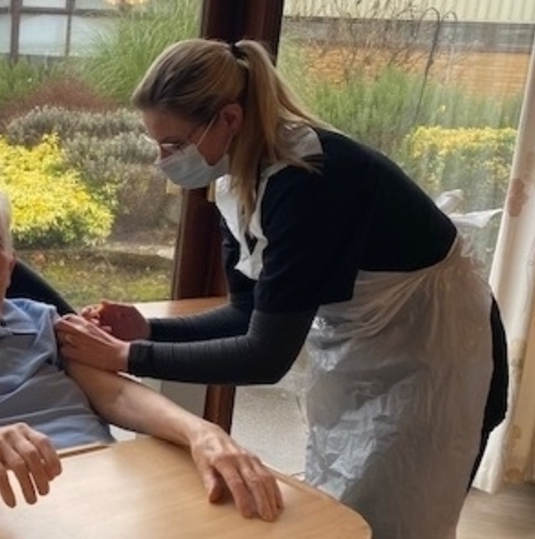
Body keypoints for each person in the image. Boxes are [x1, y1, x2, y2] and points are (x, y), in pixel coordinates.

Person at [54, 38, 509, 539]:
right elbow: (246, 314)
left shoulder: (307, 179)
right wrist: (149, 329)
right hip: (375, 349)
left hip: (440, 354)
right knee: (342, 505)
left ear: (228, 118)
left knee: (396, 519)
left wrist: (128, 356)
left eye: (174, 145)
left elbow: (266, 356)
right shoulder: (237, 181)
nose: (163, 161)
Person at [0, 179, 283, 521]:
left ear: (9, 265)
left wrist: (202, 432)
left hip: (98, 495)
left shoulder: (44, 321)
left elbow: (115, 394)